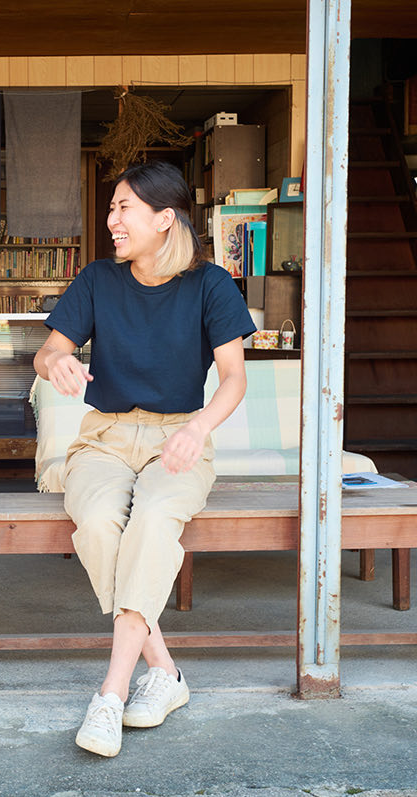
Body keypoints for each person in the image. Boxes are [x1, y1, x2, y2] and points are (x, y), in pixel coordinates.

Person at [33, 160, 256, 757]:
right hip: (103, 437)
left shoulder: (210, 285)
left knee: (154, 521)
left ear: (165, 219)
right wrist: (54, 361)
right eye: (111, 209)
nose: (112, 221)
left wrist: (200, 426)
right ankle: (163, 671)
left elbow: (234, 378)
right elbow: (49, 349)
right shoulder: (98, 280)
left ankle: (110, 693)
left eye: (123, 208)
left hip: (177, 438)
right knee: (101, 524)